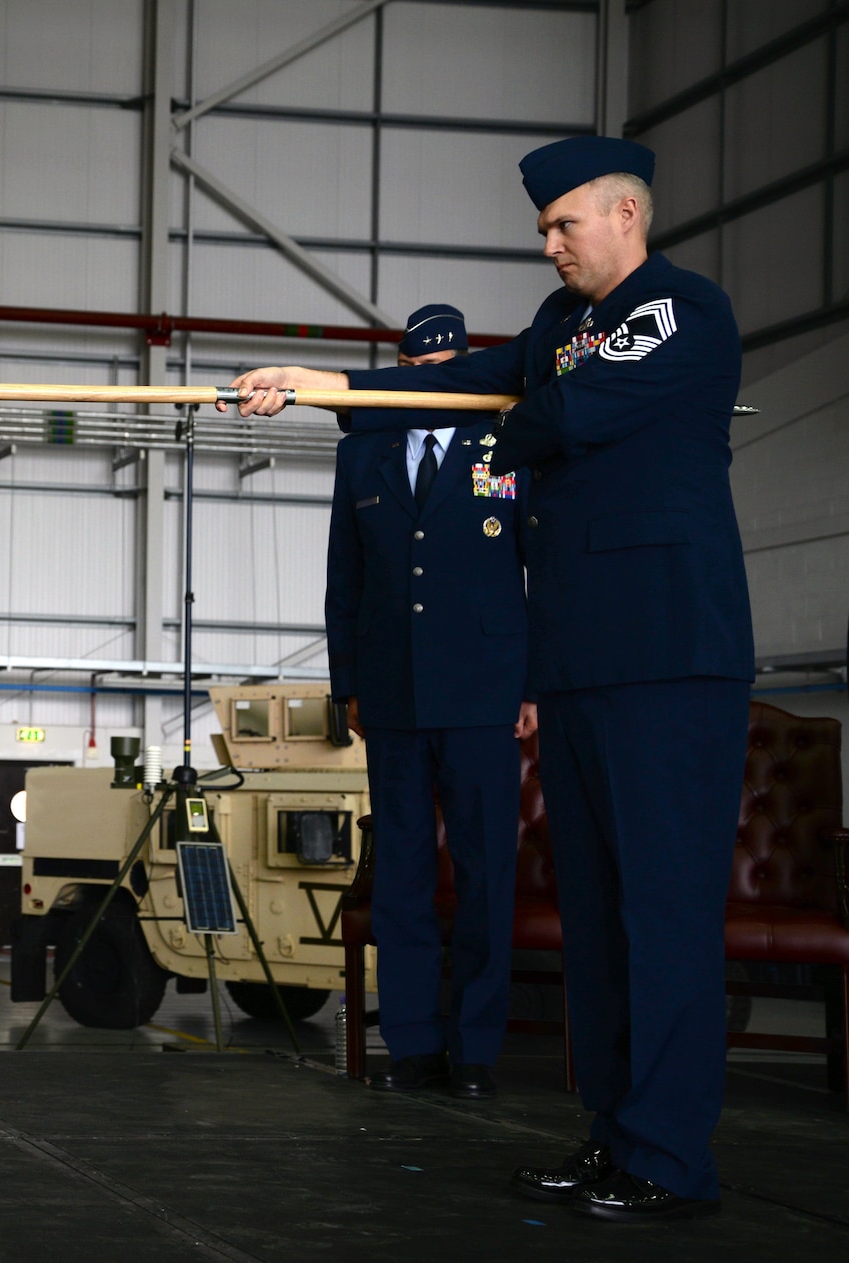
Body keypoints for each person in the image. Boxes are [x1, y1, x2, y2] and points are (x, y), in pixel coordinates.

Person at [226, 137, 751, 1222]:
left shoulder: (679, 310)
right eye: (542, 230)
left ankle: (669, 1161)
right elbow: (465, 380)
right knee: (601, 919)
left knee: (660, 914)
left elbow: (563, 415)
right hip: (572, 659)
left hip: (666, 655)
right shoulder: (560, 327)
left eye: (563, 225)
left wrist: (500, 435)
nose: (547, 245)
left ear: (622, 215)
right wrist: (325, 388)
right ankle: (615, 1137)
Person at [324, 304, 533, 1102]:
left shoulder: (504, 440)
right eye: (416, 373)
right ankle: (411, 1044)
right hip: (392, 690)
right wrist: (347, 682)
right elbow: (345, 579)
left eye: (444, 371)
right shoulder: (364, 452)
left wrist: (534, 685)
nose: (429, 386)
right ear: (400, 373)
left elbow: (534, 565)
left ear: (464, 368)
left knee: (485, 873)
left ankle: (476, 1048)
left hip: (485, 690)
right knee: (403, 876)